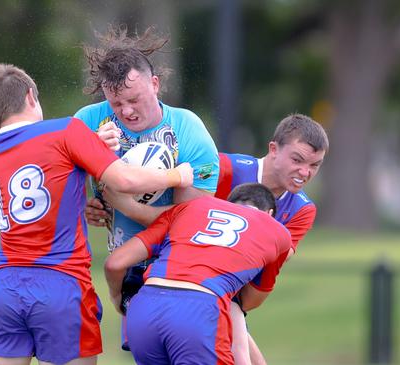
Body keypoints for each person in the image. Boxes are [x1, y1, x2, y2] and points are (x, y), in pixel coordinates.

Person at [0, 62, 194, 365]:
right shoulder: (66, 130)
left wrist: (91, 144)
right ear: (31, 96)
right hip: (60, 284)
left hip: (5, 288)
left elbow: (49, 168)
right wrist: (177, 177)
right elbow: (125, 180)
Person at [74, 24, 220, 350]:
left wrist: (125, 206)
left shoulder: (188, 130)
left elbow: (190, 223)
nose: (125, 111)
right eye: (115, 103)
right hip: (127, 269)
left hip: (181, 268)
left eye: (134, 99)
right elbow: (57, 182)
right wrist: (83, 202)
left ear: (155, 84)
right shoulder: (88, 121)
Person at [104, 183, 292, 365]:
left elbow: (115, 263)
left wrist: (117, 298)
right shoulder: (278, 232)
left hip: (143, 308)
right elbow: (250, 301)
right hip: (199, 310)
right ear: (270, 215)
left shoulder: (193, 206)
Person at [216, 113, 329, 365]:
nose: (304, 172)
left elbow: (269, 270)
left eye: (314, 165)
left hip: (231, 295)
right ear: (274, 149)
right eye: (297, 160)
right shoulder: (226, 168)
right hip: (180, 281)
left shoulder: (302, 209)